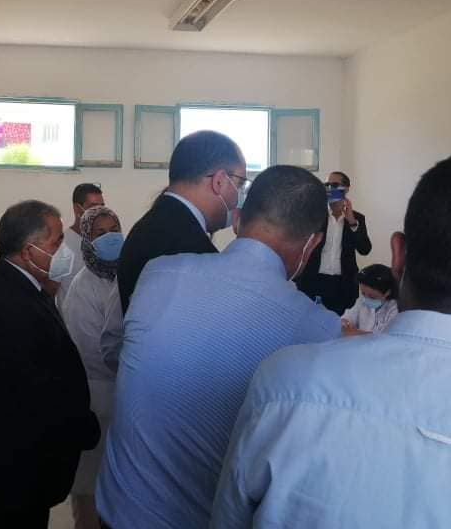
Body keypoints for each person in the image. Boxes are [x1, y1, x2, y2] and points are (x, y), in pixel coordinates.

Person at [211, 150, 451, 529]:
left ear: (398, 255)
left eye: (338, 186)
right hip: (316, 285)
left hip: (341, 286)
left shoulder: (285, 382)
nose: (333, 191)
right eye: (330, 185)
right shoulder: (316, 218)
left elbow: (228, 518)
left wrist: (352, 220)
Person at [96, 166, 341, 529]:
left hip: (116, 510)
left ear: (237, 220)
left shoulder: (159, 273)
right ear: (312, 244)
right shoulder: (318, 329)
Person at [0, 200, 100, 528]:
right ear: (29, 252)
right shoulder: (5, 307)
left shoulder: (26, 288)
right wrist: (79, 425)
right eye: (57, 242)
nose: (65, 251)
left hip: (31, 470)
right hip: (19, 472)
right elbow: (32, 397)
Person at [117, 130, 248, 313]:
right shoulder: (192, 251)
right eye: (240, 185)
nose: (240, 196)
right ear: (219, 181)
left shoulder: (151, 226)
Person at [62, 206, 125, 529]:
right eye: (100, 233)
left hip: (121, 400)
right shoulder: (82, 287)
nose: (110, 238)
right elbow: (90, 350)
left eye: (114, 230)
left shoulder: (123, 277)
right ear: (87, 239)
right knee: (89, 493)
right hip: (96, 400)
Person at [296, 171, 372, 313]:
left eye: (335, 185)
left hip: (343, 285)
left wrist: (352, 222)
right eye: (327, 185)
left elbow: (365, 249)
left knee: (340, 324)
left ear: (346, 188)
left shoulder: (357, 219)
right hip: (313, 281)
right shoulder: (315, 215)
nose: (330, 188)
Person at [57, 183, 105, 313]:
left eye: (102, 207)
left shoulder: (104, 242)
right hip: (73, 321)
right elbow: (50, 289)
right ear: (77, 209)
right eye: (93, 207)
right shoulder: (62, 246)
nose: (99, 213)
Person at [340, 263, 399, 334]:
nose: (366, 298)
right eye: (363, 293)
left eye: (372, 297)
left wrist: (355, 333)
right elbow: (347, 318)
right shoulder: (361, 301)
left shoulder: (395, 309)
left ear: (387, 292)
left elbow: (385, 337)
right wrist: (344, 323)